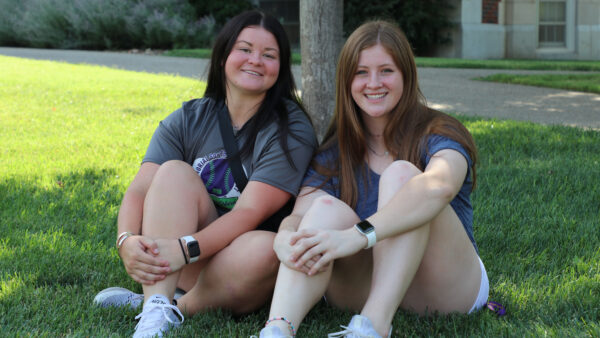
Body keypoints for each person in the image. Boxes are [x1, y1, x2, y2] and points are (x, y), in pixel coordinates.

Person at [256, 20, 488, 338]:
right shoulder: (335, 153)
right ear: (347, 80)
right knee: (324, 208)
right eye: (361, 72)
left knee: (402, 176)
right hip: (368, 284)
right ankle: (278, 329)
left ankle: (372, 327)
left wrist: (358, 235)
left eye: (386, 71)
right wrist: (284, 237)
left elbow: (440, 185)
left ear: (406, 75)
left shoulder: (439, 131)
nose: (373, 83)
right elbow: (300, 215)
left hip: (447, 287)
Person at [93, 10, 317, 338]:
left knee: (267, 249)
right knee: (172, 173)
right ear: (223, 54)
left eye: (269, 55)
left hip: (242, 267)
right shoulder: (188, 118)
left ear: (280, 68)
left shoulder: (291, 128)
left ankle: (170, 306)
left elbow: (249, 212)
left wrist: (185, 248)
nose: (256, 60)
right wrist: (126, 239)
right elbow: (141, 189)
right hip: (183, 260)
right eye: (244, 49)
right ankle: (156, 308)